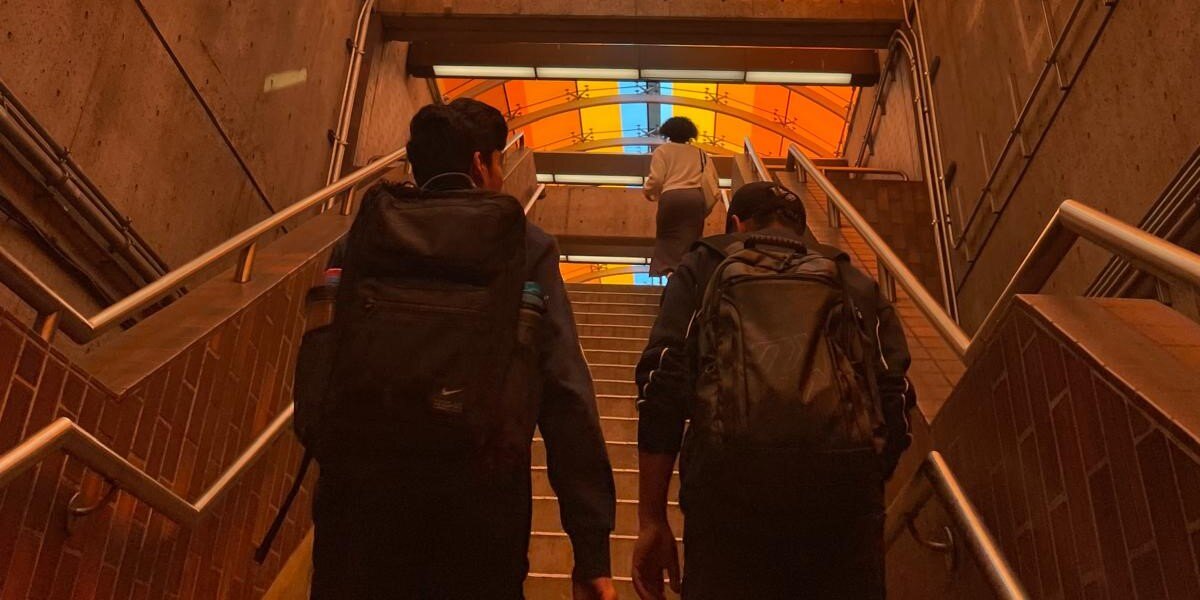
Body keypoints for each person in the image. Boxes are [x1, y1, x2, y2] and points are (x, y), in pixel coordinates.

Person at [310, 98, 618, 600]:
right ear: (480, 163)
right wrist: (590, 548)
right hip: (479, 512)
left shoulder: (362, 237)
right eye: (499, 160)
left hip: (358, 509)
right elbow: (566, 395)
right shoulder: (525, 245)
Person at [630, 182, 914, 599]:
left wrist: (652, 517)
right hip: (842, 509)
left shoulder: (704, 266)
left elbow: (662, 383)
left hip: (727, 502)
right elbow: (896, 393)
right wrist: (862, 475)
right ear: (801, 230)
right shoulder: (850, 279)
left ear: (736, 224)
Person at [644, 117, 720, 277]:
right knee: (691, 239)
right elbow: (712, 181)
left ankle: (671, 274)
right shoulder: (701, 153)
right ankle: (689, 274)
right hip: (694, 198)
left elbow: (656, 179)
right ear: (690, 134)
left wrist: (648, 192)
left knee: (667, 239)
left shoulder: (662, 151)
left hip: (671, 198)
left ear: (667, 132)